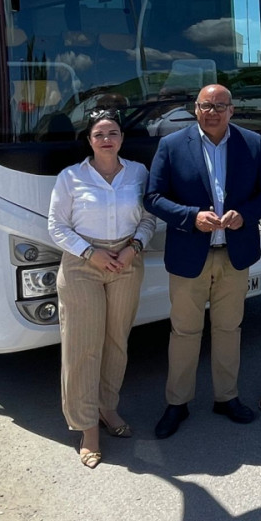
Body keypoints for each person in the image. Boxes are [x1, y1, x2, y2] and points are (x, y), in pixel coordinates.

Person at [145, 84, 261, 438]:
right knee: (185, 331)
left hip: (234, 256)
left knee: (228, 329)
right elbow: (153, 196)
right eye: (207, 105)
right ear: (196, 109)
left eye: (221, 105)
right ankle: (177, 403)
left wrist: (245, 215)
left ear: (232, 110)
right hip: (190, 254)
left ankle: (226, 397)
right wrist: (191, 216)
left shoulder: (250, 143)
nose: (214, 111)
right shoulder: (172, 145)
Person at [47, 110, 156, 468]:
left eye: (112, 132)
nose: (106, 139)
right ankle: (87, 428)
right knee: (83, 346)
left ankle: (108, 408)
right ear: (89, 140)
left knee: (116, 342)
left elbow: (148, 217)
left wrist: (133, 248)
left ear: (122, 138)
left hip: (126, 260)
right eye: (99, 134)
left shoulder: (137, 172)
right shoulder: (71, 177)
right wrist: (90, 253)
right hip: (83, 265)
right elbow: (57, 226)